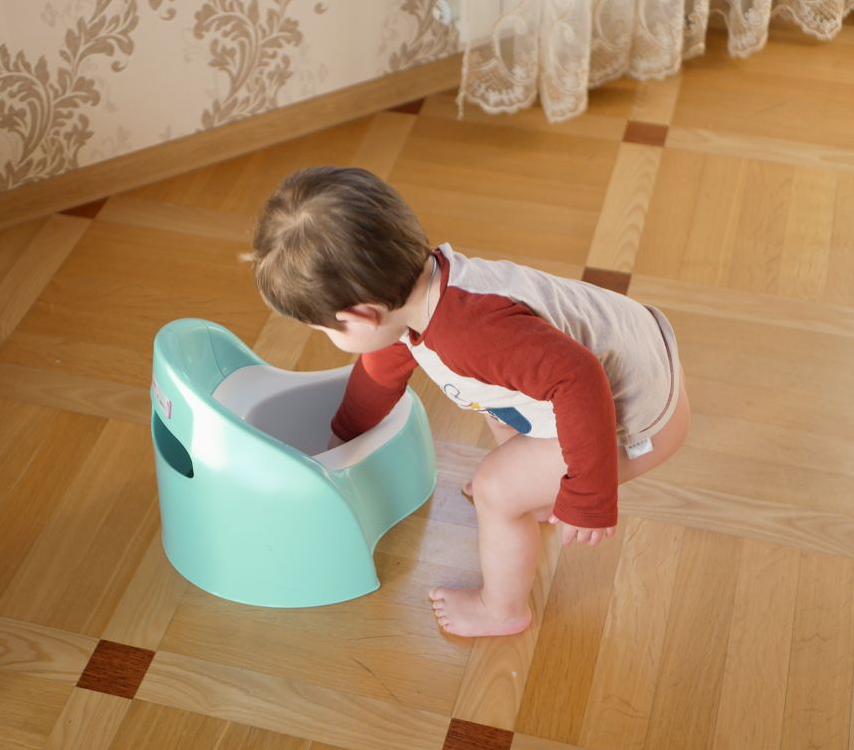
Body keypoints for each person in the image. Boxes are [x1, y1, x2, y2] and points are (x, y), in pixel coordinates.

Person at [246, 166, 691, 637]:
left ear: (362, 315)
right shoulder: (421, 290)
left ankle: (502, 610)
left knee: (496, 490)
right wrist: (338, 441)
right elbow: (378, 377)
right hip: (632, 353)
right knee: (505, 419)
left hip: (637, 419)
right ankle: (540, 496)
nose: (323, 336)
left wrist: (589, 494)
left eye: (323, 329)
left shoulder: (472, 335)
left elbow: (580, 380)